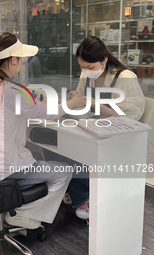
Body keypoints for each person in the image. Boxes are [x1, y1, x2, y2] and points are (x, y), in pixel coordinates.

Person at [0, 32, 86, 229]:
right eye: (20, 59)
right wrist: (72, 103)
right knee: (65, 171)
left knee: (37, 156)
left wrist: (39, 103)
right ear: (13, 60)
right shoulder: (12, 91)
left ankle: (11, 207)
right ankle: (21, 214)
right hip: (7, 170)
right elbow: (45, 113)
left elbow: (26, 107)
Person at [63, 36, 145, 220]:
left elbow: (132, 115)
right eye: (82, 67)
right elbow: (84, 101)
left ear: (104, 60)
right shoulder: (87, 75)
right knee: (65, 145)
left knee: (78, 148)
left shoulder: (125, 77)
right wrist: (76, 98)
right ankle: (76, 189)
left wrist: (97, 104)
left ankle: (86, 196)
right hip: (95, 125)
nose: (85, 71)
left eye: (90, 67)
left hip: (119, 134)